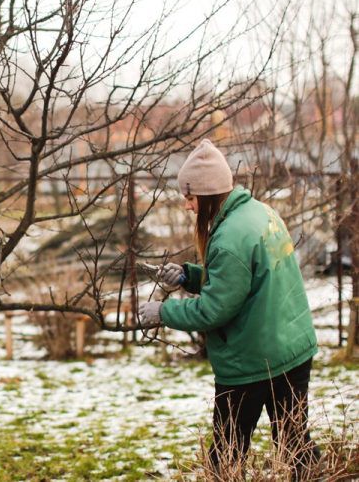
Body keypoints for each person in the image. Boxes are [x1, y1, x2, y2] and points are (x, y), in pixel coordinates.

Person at [138, 139, 321, 479]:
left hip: (251, 360)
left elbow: (213, 311)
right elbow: (245, 281)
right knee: (295, 443)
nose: (187, 207)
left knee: (227, 452)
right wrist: (189, 277)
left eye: (190, 198)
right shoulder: (261, 212)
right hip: (291, 348)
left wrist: (162, 314)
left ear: (206, 195)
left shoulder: (228, 238)